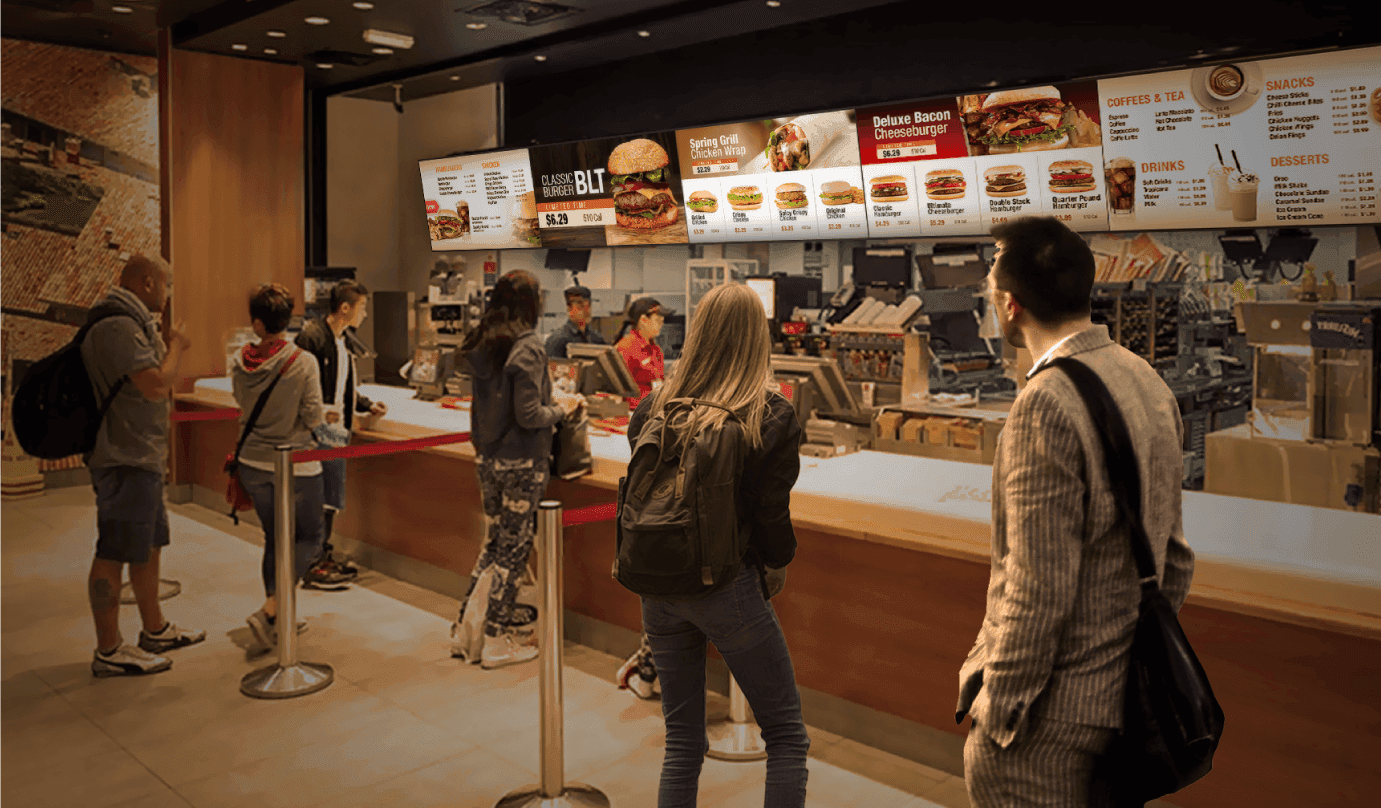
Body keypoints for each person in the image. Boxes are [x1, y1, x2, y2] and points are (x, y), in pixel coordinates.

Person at [955, 216, 1196, 808]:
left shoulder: (1045, 402)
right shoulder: (1145, 379)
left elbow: (1037, 587)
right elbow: (1175, 560)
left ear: (1009, 305)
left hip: (1050, 723)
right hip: (1128, 708)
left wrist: (1002, 710)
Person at [632, 282, 809, 808]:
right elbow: (770, 514)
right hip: (728, 587)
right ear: (758, 338)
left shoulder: (654, 406)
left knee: (682, 741)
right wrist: (778, 562)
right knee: (786, 738)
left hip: (658, 586)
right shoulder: (769, 413)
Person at [450, 270, 584, 669]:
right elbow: (529, 415)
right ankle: (494, 640)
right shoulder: (528, 346)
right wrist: (562, 409)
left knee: (493, 544)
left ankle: (465, 630)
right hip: (522, 462)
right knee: (514, 549)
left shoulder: (485, 342)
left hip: (487, 456)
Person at [83, 253, 205, 677]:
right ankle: (109, 649)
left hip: (142, 456)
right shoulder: (118, 326)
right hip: (125, 458)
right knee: (114, 550)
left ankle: (155, 629)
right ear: (148, 282)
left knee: (148, 545)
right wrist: (177, 346)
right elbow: (155, 384)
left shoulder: (133, 322)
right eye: (166, 285)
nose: (167, 295)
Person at [231, 283, 327, 648]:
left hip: (252, 461)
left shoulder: (240, 361)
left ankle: (279, 613)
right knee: (310, 537)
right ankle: (272, 609)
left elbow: (242, 403)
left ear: (257, 323)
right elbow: (314, 417)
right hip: (294, 463)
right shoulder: (302, 362)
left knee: (274, 537)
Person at [294, 279, 388, 590]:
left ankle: (322, 555)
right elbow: (298, 385)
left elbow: (342, 385)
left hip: (337, 432)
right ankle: (312, 563)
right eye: (362, 307)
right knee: (316, 499)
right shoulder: (312, 338)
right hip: (315, 432)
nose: (365, 314)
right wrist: (319, 412)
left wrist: (365, 404)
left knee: (331, 498)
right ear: (345, 307)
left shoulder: (344, 341)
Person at [612, 294, 668, 694]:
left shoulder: (657, 350)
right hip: (634, 427)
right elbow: (619, 392)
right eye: (655, 317)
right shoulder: (625, 349)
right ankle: (649, 666)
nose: (660, 323)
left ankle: (650, 665)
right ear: (640, 319)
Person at [614, 296, 665, 406]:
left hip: (654, 407)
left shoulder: (656, 350)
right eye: (657, 320)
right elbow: (616, 388)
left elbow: (659, 381)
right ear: (644, 320)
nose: (662, 324)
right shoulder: (625, 348)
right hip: (634, 410)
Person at [544, 284, 606, 359]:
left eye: (588, 305)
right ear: (569, 308)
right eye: (581, 306)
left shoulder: (596, 338)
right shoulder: (557, 340)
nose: (586, 311)